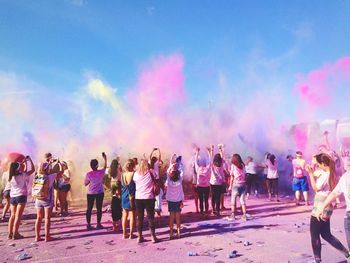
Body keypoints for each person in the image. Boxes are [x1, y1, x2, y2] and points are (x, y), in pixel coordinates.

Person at [306, 153, 350, 263]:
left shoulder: (327, 174)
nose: (317, 166)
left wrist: (310, 174)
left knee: (314, 234)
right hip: (326, 204)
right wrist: (312, 167)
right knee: (326, 234)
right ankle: (346, 253)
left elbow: (316, 188)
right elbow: (316, 172)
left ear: (323, 164)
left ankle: (317, 260)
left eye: (318, 164)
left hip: (321, 204)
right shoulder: (328, 172)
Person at [315, 144, 350, 249]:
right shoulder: (344, 177)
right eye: (346, 160)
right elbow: (335, 193)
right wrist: (322, 207)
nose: (346, 162)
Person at [34, 161, 64, 242]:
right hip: (47, 199)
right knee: (47, 218)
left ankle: (37, 236)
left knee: (39, 218)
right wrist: (59, 163)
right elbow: (61, 172)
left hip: (38, 199)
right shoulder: (51, 176)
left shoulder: (37, 176)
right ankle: (47, 236)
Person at [8, 156, 35, 239]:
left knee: (12, 216)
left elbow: (23, 169)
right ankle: (16, 234)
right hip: (21, 196)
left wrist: (24, 162)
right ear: (19, 168)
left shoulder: (11, 177)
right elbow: (32, 170)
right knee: (18, 216)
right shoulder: (23, 175)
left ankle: (10, 233)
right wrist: (29, 160)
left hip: (13, 197)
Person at [134, 159, 159, 243]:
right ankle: (153, 236)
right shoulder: (151, 172)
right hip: (149, 197)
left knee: (139, 218)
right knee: (150, 217)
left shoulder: (136, 174)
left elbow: (134, 181)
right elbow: (156, 177)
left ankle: (139, 236)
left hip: (138, 197)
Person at [84, 152, 107, 230]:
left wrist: (91, 181)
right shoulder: (101, 172)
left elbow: (85, 184)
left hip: (90, 193)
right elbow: (105, 167)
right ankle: (98, 224)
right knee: (99, 208)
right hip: (99, 193)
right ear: (97, 165)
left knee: (89, 208)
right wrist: (105, 159)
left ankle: (88, 224)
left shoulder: (88, 174)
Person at [165, 162, 184, 239]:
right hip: (178, 201)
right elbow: (182, 172)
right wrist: (179, 165)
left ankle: (171, 233)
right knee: (178, 217)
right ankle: (179, 232)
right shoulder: (179, 182)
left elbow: (167, 172)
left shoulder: (169, 182)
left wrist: (171, 165)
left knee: (171, 217)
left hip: (170, 201)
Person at [228, 154, 248, 221]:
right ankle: (244, 215)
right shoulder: (243, 165)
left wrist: (230, 186)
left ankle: (233, 215)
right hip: (243, 184)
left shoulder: (233, 166)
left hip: (236, 185)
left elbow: (232, 177)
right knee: (242, 200)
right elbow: (245, 175)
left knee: (233, 199)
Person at [121, 159, 136, 239]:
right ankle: (131, 234)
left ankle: (124, 234)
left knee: (124, 215)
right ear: (133, 165)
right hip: (132, 196)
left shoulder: (122, 175)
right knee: (132, 215)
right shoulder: (134, 174)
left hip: (124, 196)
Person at [194, 147, 211, 218]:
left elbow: (195, 161)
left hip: (199, 187)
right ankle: (206, 212)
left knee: (200, 200)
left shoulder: (198, 169)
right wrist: (209, 152)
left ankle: (201, 213)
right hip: (206, 187)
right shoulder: (207, 169)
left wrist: (197, 152)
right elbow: (210, 161)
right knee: (206, 200)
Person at [209, 145, 226, 216]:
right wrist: (220, 149)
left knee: (213, 197)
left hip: (213, 183)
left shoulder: (212, 165)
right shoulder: (221, 165)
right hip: (219, 183)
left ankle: (213, 210)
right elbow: (222, 157)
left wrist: (212, 149)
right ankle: (218, 211)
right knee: (218, 197)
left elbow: (210, 158)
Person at [149, 148, 163, 217]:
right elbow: (160, 156)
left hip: (151, 180)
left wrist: (152, 151)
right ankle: (158, 211)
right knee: (158, 194)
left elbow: (149, 157)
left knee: (152, 194)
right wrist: (159, 150)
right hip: (157, 180)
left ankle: (153, 210)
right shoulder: (156, 163)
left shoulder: (150, 165)